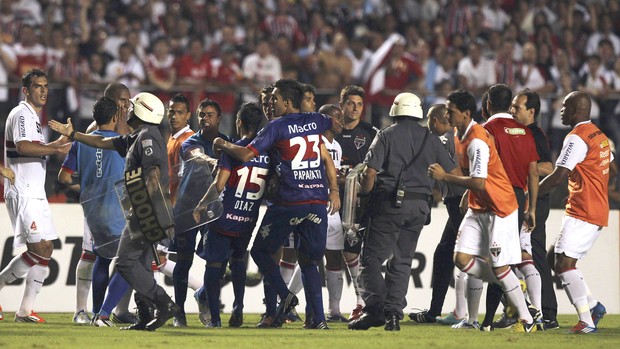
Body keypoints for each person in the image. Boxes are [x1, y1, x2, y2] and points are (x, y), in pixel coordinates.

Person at [213, 78, 340, 330]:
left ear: (286, 102)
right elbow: (332, 126)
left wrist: (221, 143)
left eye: (274, 100)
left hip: (288, 200)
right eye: (266, 101)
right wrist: (334, 189)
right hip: (316, 200)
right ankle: (318, 320)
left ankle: (283, 300)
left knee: (261, 251)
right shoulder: (315, 121)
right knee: (308, 261)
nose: (270, 104)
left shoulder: (275, 128)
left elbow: (247, 154)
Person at [49, 92, 180, 331]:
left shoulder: (147, 137)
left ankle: (164, 302)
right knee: (139, 263)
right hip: (145, 211)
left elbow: (152, 176)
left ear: (143, 112)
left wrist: (144, 213)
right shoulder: (137, 136)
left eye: (132, 107)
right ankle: (145, 313)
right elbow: (102, 142)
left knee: (125, 263)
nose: (127, 111)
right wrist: (74, 135)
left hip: (146, 212)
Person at [428, 90, 537, 332]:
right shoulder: (459, 133)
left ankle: (527, 320)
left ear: (466, 113)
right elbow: (475, 177)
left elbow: (479, 181)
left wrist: (445, 177)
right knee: (461, 258)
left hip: (500, 207)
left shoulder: (477, 140)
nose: (447, 115)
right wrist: (468, 192)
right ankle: (504, 289)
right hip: (479, 206)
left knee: (499, 267)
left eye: (451, 111)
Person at [348, 93, 456, 331]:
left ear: (395, 110)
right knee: (403, 262)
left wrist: (364, 197)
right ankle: (394, 315)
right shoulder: (431, 139)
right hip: (420, 207)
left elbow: (369, 173)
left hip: (389, 204)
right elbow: (452, 172)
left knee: (371, 260)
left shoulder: (386, 135)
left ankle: (376, 309)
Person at [538, 91, 614, 334]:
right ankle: (593, 306)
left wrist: (532, 194)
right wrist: (587, 184)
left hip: (584, 209)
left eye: (565, 106)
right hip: (591, 206)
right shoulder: (599, 134)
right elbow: (611, 165)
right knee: (553, 259)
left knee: (564, 263)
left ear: (577, 110)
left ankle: (586, 322)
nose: (561, 110)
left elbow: (559, 175)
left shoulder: (576, 138)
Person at [0, 69, 70, 323]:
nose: (43, 90)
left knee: (46, 248)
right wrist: (54, 147)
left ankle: (24, 311)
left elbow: (38, 150)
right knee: (39, 248)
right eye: (37, 86)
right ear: (26, 90)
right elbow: (22, 147)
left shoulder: (35, 120)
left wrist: (63, 140)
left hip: (36, 192)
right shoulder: (21, 114)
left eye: (45, 86)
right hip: (23, 191)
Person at [193, 102, 268, 328]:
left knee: (214, 267)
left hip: (224, 218)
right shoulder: (266, 153)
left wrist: (200, 205)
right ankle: (238, 308)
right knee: (237, 263)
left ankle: (215, 319)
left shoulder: (232, 150)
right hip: (248, 220)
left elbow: (219, 185)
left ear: (239, 122)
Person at [57, 97, 129, 326]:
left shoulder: (81, 142)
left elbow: (64, 177)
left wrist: (88, 188)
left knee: (99, 258)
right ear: (116, 117)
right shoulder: (122, 142)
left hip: (91, 211)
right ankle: (106, 312)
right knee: (133, 260)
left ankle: (94, 312)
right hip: (116, 210)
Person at [479, 84, 540, 331]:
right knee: (504, 260)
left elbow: (482, 168)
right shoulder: (526, 132)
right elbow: (533, 172)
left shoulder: (487, 130)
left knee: (494, 261)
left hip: (495, 196)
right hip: (518, 197)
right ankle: (494, 318)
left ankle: (521, 313)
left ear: (488, 105)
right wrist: (532, 208)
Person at [174, 98, 231, 326]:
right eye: (201, 115)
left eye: (210, 115)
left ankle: (204, 295)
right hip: (188, 208)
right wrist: (212, 160)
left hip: (214, 210)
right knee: (183, 261)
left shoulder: (228, 143)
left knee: (218, 264)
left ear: (219, 119)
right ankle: (179, 313)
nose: (205, 118)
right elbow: (196, 154)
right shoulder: (189, 142)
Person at [409, 104, 467, 325]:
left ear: (433, 120)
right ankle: (435, 312)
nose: (449, 125)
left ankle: (515, 302)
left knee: (471, 257)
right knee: (444, 255)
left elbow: (454, 172)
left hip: (459, 201)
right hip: (457, 200)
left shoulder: (441, 139)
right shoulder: (456, 136)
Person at [511, 89, 559, 330]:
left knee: (535, 256)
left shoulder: (534, 134)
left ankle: (548, 313)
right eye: (511, 106)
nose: (512, 110)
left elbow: (549, 166)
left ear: (531, 112)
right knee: (519, 256)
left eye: (517, 107)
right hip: (528, 201)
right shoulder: (520, 132)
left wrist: (525, 167)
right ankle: (522, 311)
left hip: (536, 203)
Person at [334, 85, 378, 321]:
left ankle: (363, 302)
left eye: (360, 104)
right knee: (329, 252)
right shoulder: (331, 131)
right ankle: (336, 307)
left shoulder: (371, 132)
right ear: (341, 105)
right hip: (332, 198)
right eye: (350, 103)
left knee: (353, 252)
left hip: (359, 201)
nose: (355, 108)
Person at [318, 104, 347, 323]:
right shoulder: (315, 141)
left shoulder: (336, 145)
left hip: (333, 207)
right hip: (317, 203)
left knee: (335, 258)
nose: (341, 120)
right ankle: (285, 304)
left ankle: (334, 311)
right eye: (337, 117)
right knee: (309, 257)